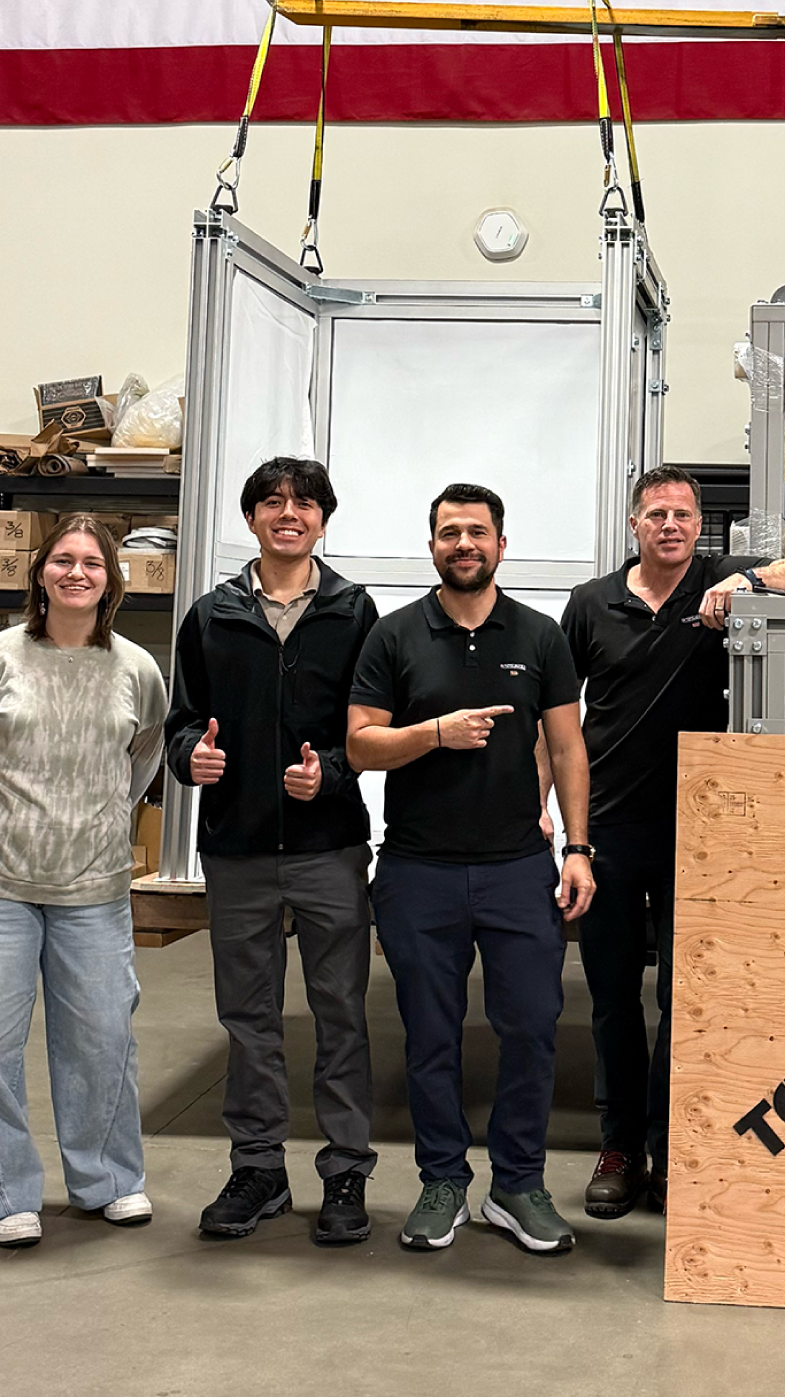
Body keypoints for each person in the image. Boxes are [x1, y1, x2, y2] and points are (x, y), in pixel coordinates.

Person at [560, 465, 785, 1218]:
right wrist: (562, 829)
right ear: (634, 526)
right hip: (611, 830)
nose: (670, 526)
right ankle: (620, 1148)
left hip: (703, 834)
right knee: (614, 1001)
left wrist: (751, 585)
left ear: (699, 526)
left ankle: (670, 1148)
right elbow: (555, 722)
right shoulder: (592, 604)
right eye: (655, 514)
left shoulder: (724, 580)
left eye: (683, 515)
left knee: (683, 1001)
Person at [347, 483, 596, 1256]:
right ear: (432, 547)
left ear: (500, 545)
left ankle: (518, 1185)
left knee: (530, 1028)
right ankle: (443, 1181)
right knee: (430, 1034)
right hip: (419, 870)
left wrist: (577, 847)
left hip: (518, 867)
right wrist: (434, 734)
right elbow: (360, 746)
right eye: (450, 532)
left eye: (478, 532)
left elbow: (566, 748)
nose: (465, 544)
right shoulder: (394, 637)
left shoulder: (540, 635)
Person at [166, 457, 381, 1245]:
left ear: (324, 518)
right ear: (252, 517)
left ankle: (348, 1169)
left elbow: (373, 729)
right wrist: (193, 756)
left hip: (329, 847)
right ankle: (257, 1168)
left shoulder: (357, 614)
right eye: (271, 502)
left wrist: (328, 772)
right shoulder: (212, 615)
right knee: (249, 1016)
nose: (288, 513)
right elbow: (181, 722)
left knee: (340, 1013)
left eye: (303, 502)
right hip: (238, 847)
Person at [0, 515, 167, 1247]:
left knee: (103, 1038)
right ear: (40, 573)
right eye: (62, 560)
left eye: (91, 562)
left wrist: (89, 823)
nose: (76, 572)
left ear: (110, 579)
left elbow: (140, 762)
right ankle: (5, 1193)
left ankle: (109, 1181)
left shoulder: (136, 669)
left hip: (93, 887)